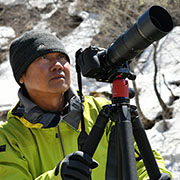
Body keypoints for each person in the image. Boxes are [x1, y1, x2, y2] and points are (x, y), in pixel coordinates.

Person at [0, 30, 172, 180]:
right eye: (44, 58)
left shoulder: (102, 112)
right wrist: (59, 177)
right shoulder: (8, 137)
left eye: (61, 57)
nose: (57, 66)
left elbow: (140, 161)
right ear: (21, 76)